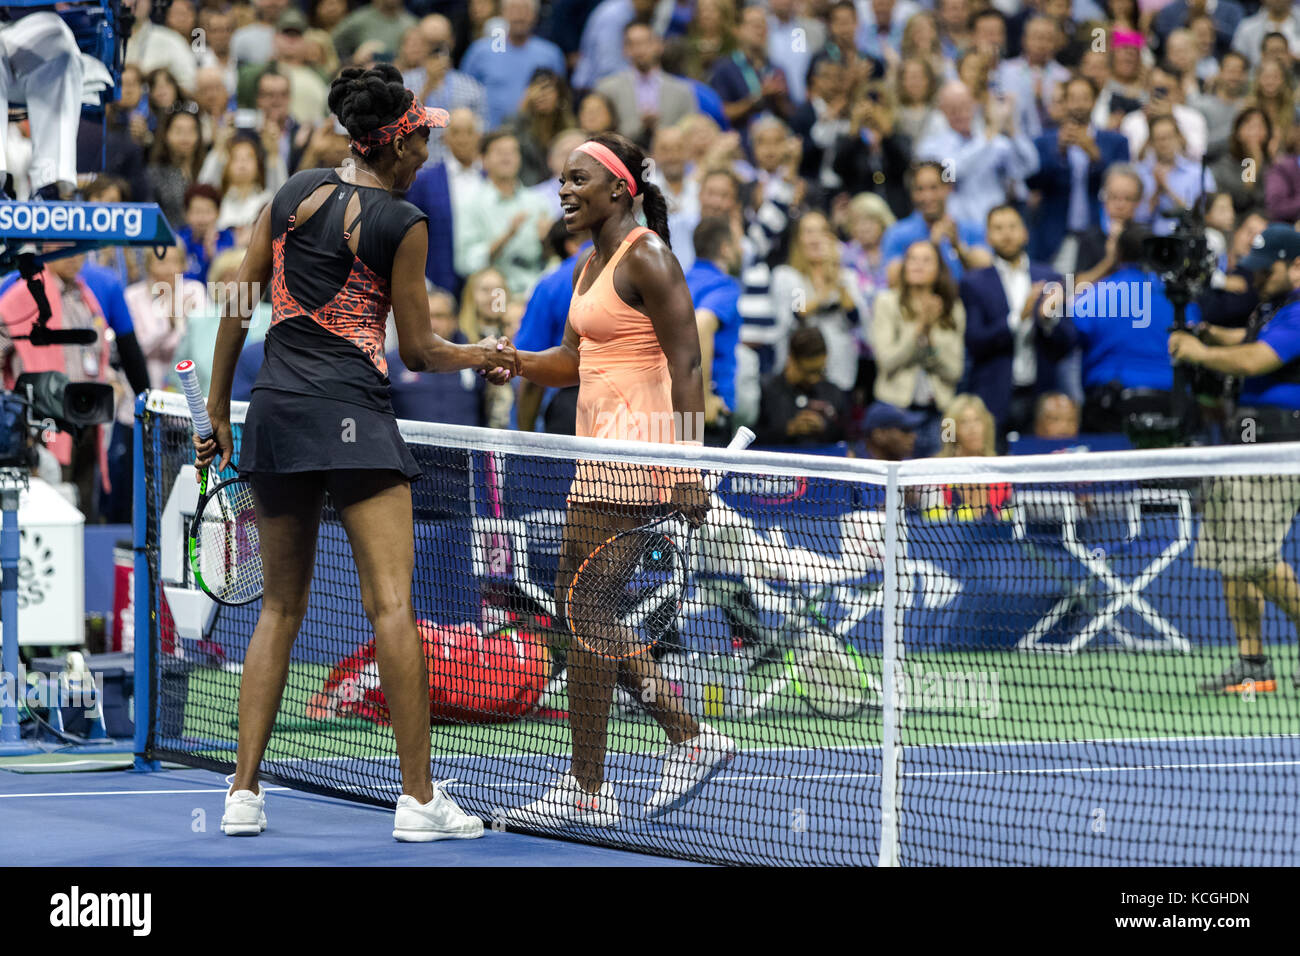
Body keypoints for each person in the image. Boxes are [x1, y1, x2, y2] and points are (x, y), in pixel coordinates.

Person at [195, 65, 512, 841]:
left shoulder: (294, 191)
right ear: (395, 142)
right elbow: (423, 350)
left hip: (273, 414)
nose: (430, 153)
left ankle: (241, 794)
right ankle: (418, 801)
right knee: (394, 607)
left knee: (279, 606)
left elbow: (238, 300)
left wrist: (216, 409)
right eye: (423, 139)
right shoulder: (403, 223)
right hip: (354, 422)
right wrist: (485, 353)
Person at [505, 132, 737, 827]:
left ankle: (602, 782)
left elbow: (690, 364)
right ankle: (668, 747)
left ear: (618, 189)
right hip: (595, 454)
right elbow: (572, 363)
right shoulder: (586, 266)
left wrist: (689, 467)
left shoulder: (651, 258)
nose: (565, 192)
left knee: (584, 612)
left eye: (578, 180)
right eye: (561, 182)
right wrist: (510, 360)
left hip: (641, 458)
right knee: (584, 612)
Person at [1168, 224, 1300, 694]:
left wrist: (1200, 351)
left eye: (1269, 270)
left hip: (1279, 446)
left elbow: (1255, 361)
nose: (1259, 278)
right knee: (1230, 556)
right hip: (1243, 440)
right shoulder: (1271, 307)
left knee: (1257, 556)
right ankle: (1253, 664)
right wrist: (1207, 334)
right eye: (1256, 271)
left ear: (1297, 266)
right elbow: (1243, 340)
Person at [1071, 223, 1201, 432]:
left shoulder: (1096, 295)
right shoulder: (1179, 298)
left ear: (1118, 253)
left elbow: (1071, 334)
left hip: (1111, 407)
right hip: (1172, 404)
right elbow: (1195, 332)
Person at [960, 205, 1073, 441]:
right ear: (988, 236)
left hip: (1041, 396)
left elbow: (1069, 343)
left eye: (1012, 226)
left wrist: (1048, 320)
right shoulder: (974, 283)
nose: (1006, 234)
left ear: (1025, 232)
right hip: (994, 397)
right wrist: (1018, 318)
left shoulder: (1050, 277)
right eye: (998, 228)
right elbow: (974, 342)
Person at [869, 239, 966, 457]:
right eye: (912, 259)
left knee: (933, 485)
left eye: (926, 260)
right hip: (894, 412)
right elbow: (887, 362)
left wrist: (930, 343)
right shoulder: (886, 302)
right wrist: (919, 329)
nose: (917, 265)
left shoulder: (953, 308)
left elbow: (954, 371)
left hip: (938, 415)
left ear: (939, 269)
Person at [1026, 75, 1131, 269]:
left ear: (1094, 100)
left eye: (1085, 98)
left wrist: (1095, 156)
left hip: (1100, 233)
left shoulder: (1116, 142)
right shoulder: (1044, 142)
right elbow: (1033, 184)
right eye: (1073, 98)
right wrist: (1060, 154)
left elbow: (1125, 185)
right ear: (1064, 102)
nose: (1079, 105)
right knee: (1056, 293)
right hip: (1056, 235)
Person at [685, 216, 744, 445]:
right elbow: (702, 323)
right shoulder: (724, 286)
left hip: (674, 407)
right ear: (725, 249)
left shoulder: (679, 280)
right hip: (709, 411)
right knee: (705, 482)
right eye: (738, 243)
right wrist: (704, 397)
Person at [880, 161, 991, 282]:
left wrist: (958, 246)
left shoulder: (972, 229)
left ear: (948, 188)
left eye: (934, 187)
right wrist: (932, 247)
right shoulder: (897, 233)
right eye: (920, 189)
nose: (928, 196)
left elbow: (987, 270)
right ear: (912, 194)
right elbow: (892, 279)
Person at [595, 21, 698, 145]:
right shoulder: (607, 89)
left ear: (659, 45)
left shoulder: (683, 91)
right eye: (632, 44)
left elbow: (691, 131)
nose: (639, 50)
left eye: (645, 43)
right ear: (624, 50)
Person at [754, 325, 851, 447]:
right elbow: (750, 439)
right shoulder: (765, 391)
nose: (814, 379)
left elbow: (848, 440)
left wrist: (824, 428)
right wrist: (789, 430)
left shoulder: (834, 393)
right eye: (808, 371)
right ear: (791, 360)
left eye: (820, 371)